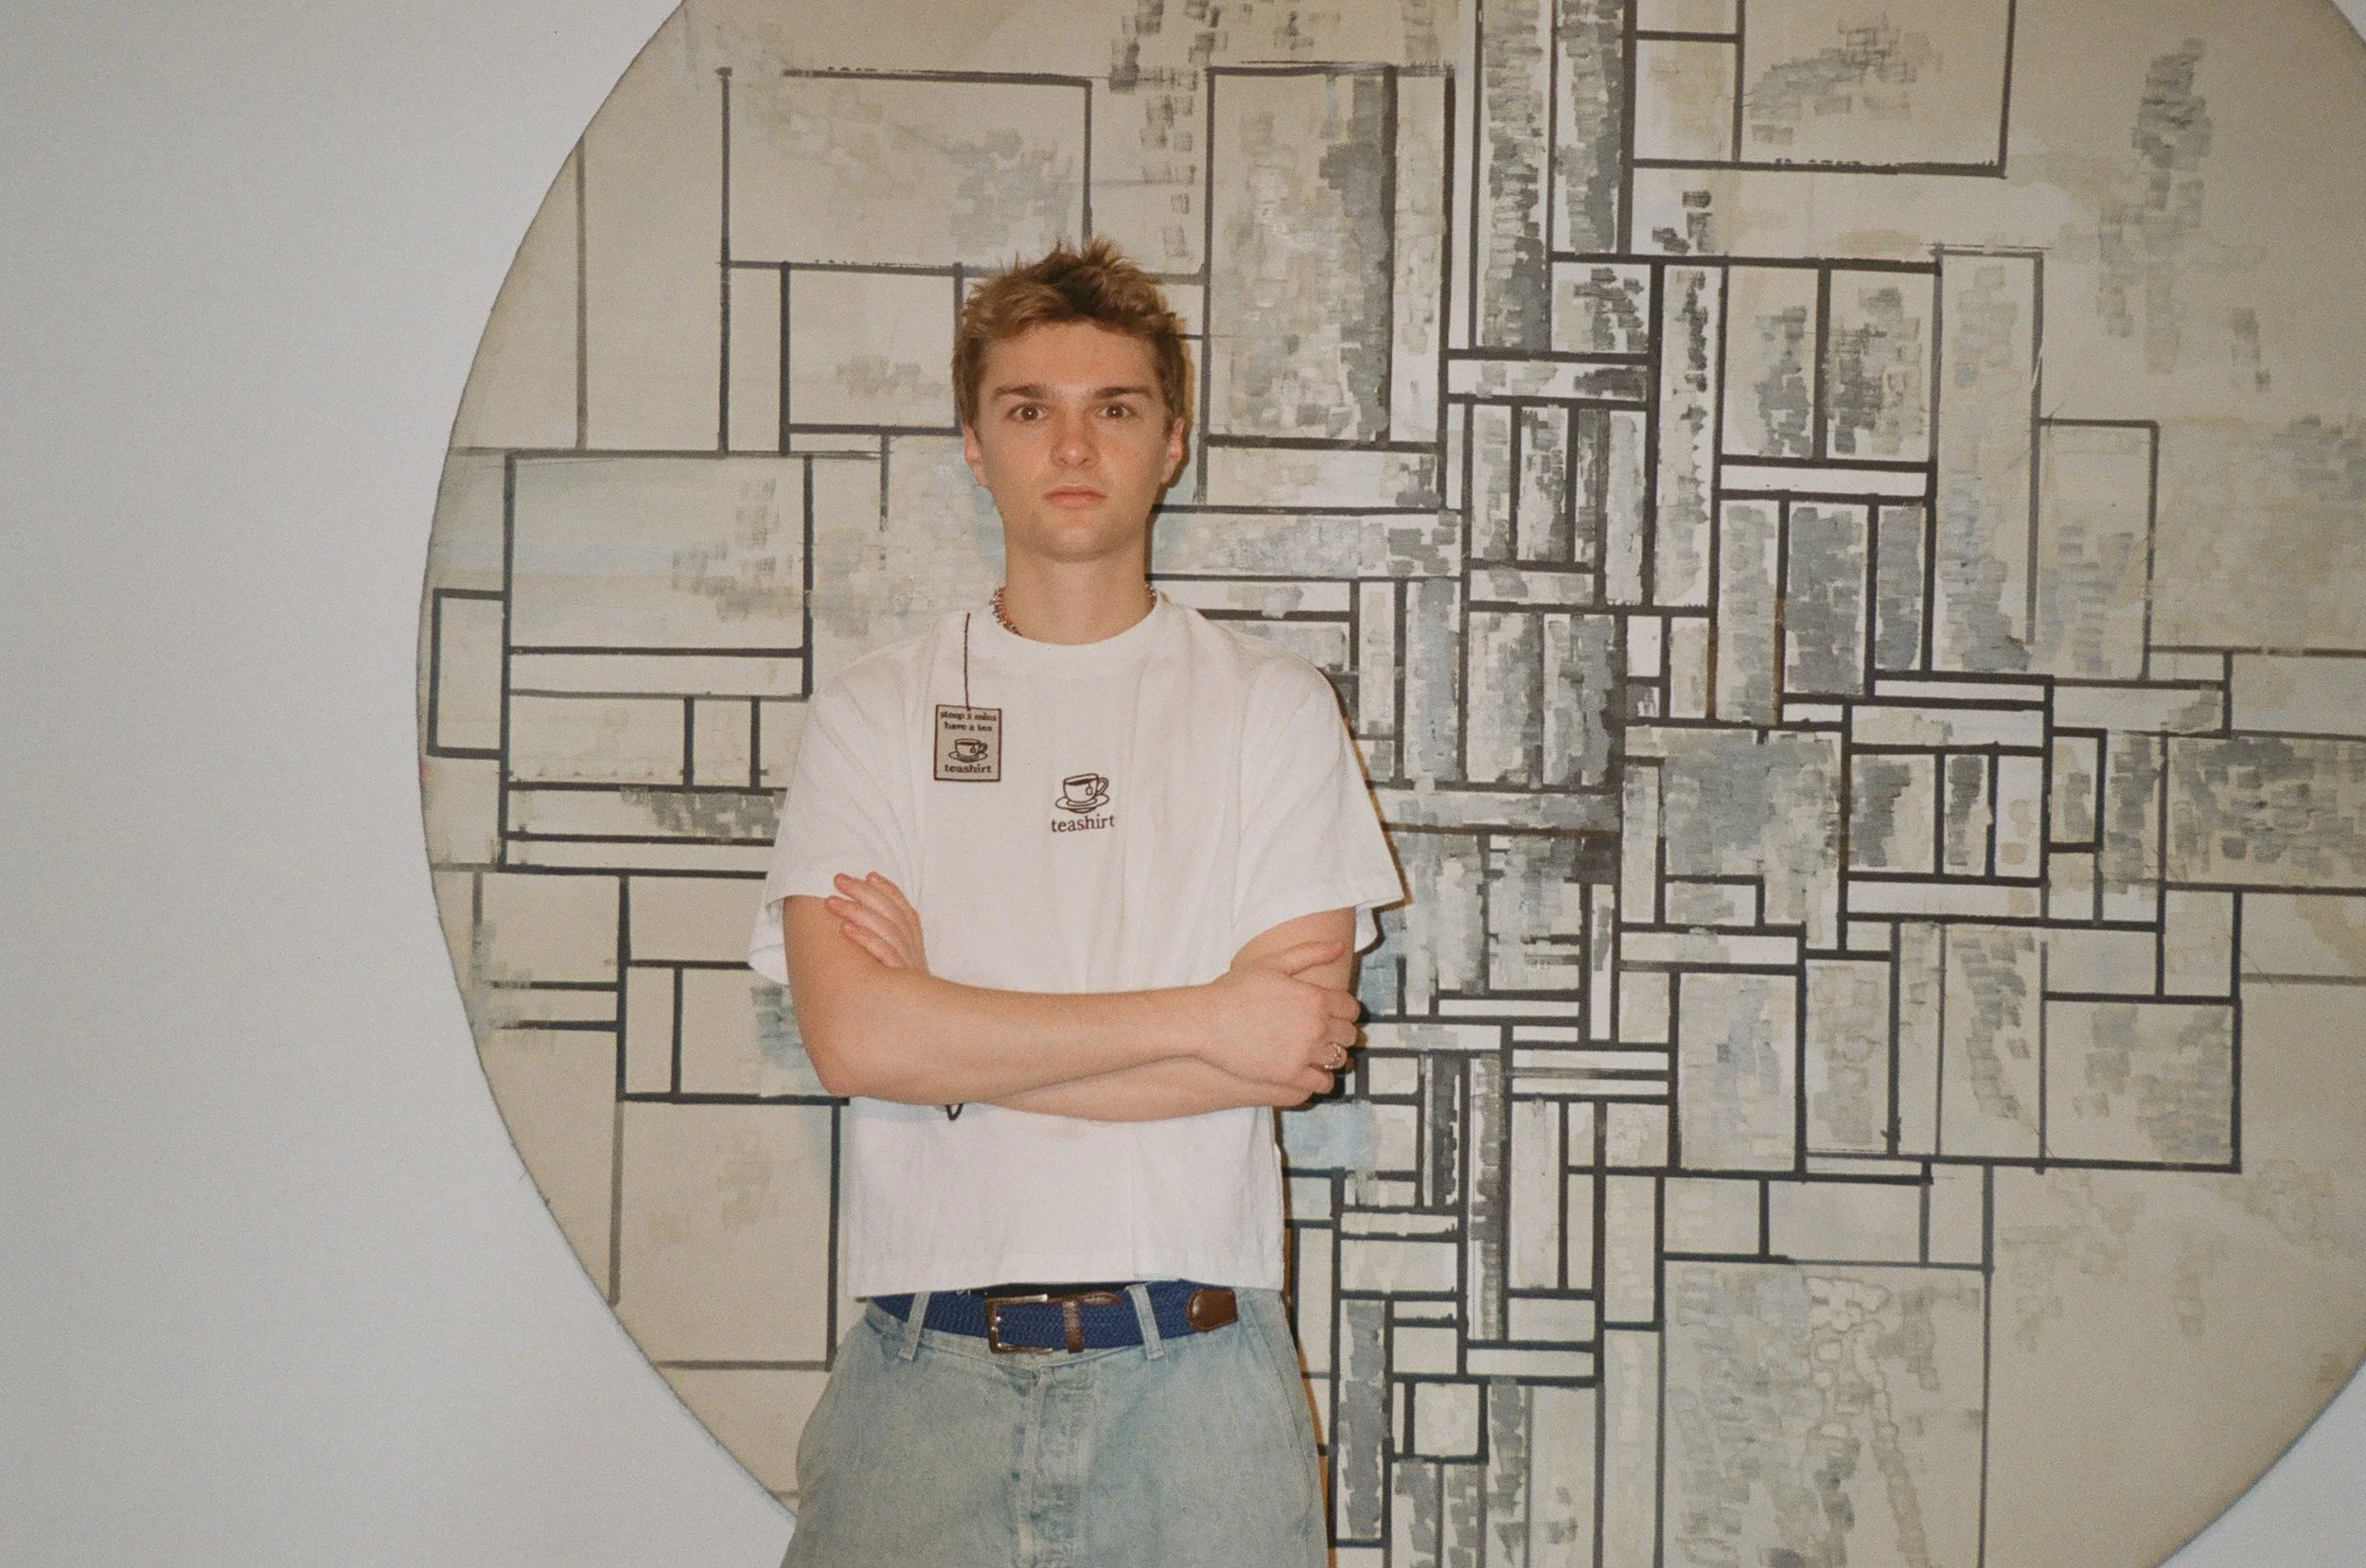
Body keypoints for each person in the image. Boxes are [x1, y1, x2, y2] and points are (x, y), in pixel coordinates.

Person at [745, 238, 1404, 1566]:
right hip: (921, 1379)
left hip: (1199, 1387)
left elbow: (1286, 1050)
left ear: (1173, 441)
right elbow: (853, 1042)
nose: (1072, 445)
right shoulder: (877, 713)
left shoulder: (1270, 711)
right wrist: (1199, 1020)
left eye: (1115, 407)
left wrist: (950, 1040)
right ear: (974, 447)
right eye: (1027, 408)